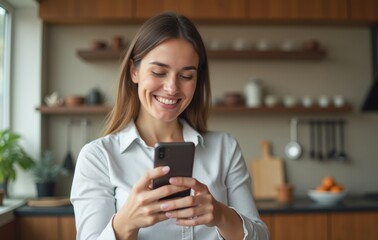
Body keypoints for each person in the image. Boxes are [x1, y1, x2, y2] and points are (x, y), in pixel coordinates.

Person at [70, 11, 269, 240]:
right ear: (134, 71)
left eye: (186, 76)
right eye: (159, 72)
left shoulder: (225, 147)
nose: (172, 88)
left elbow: (261, 236)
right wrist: (125, 224)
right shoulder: (98, 157)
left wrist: (221, 215)